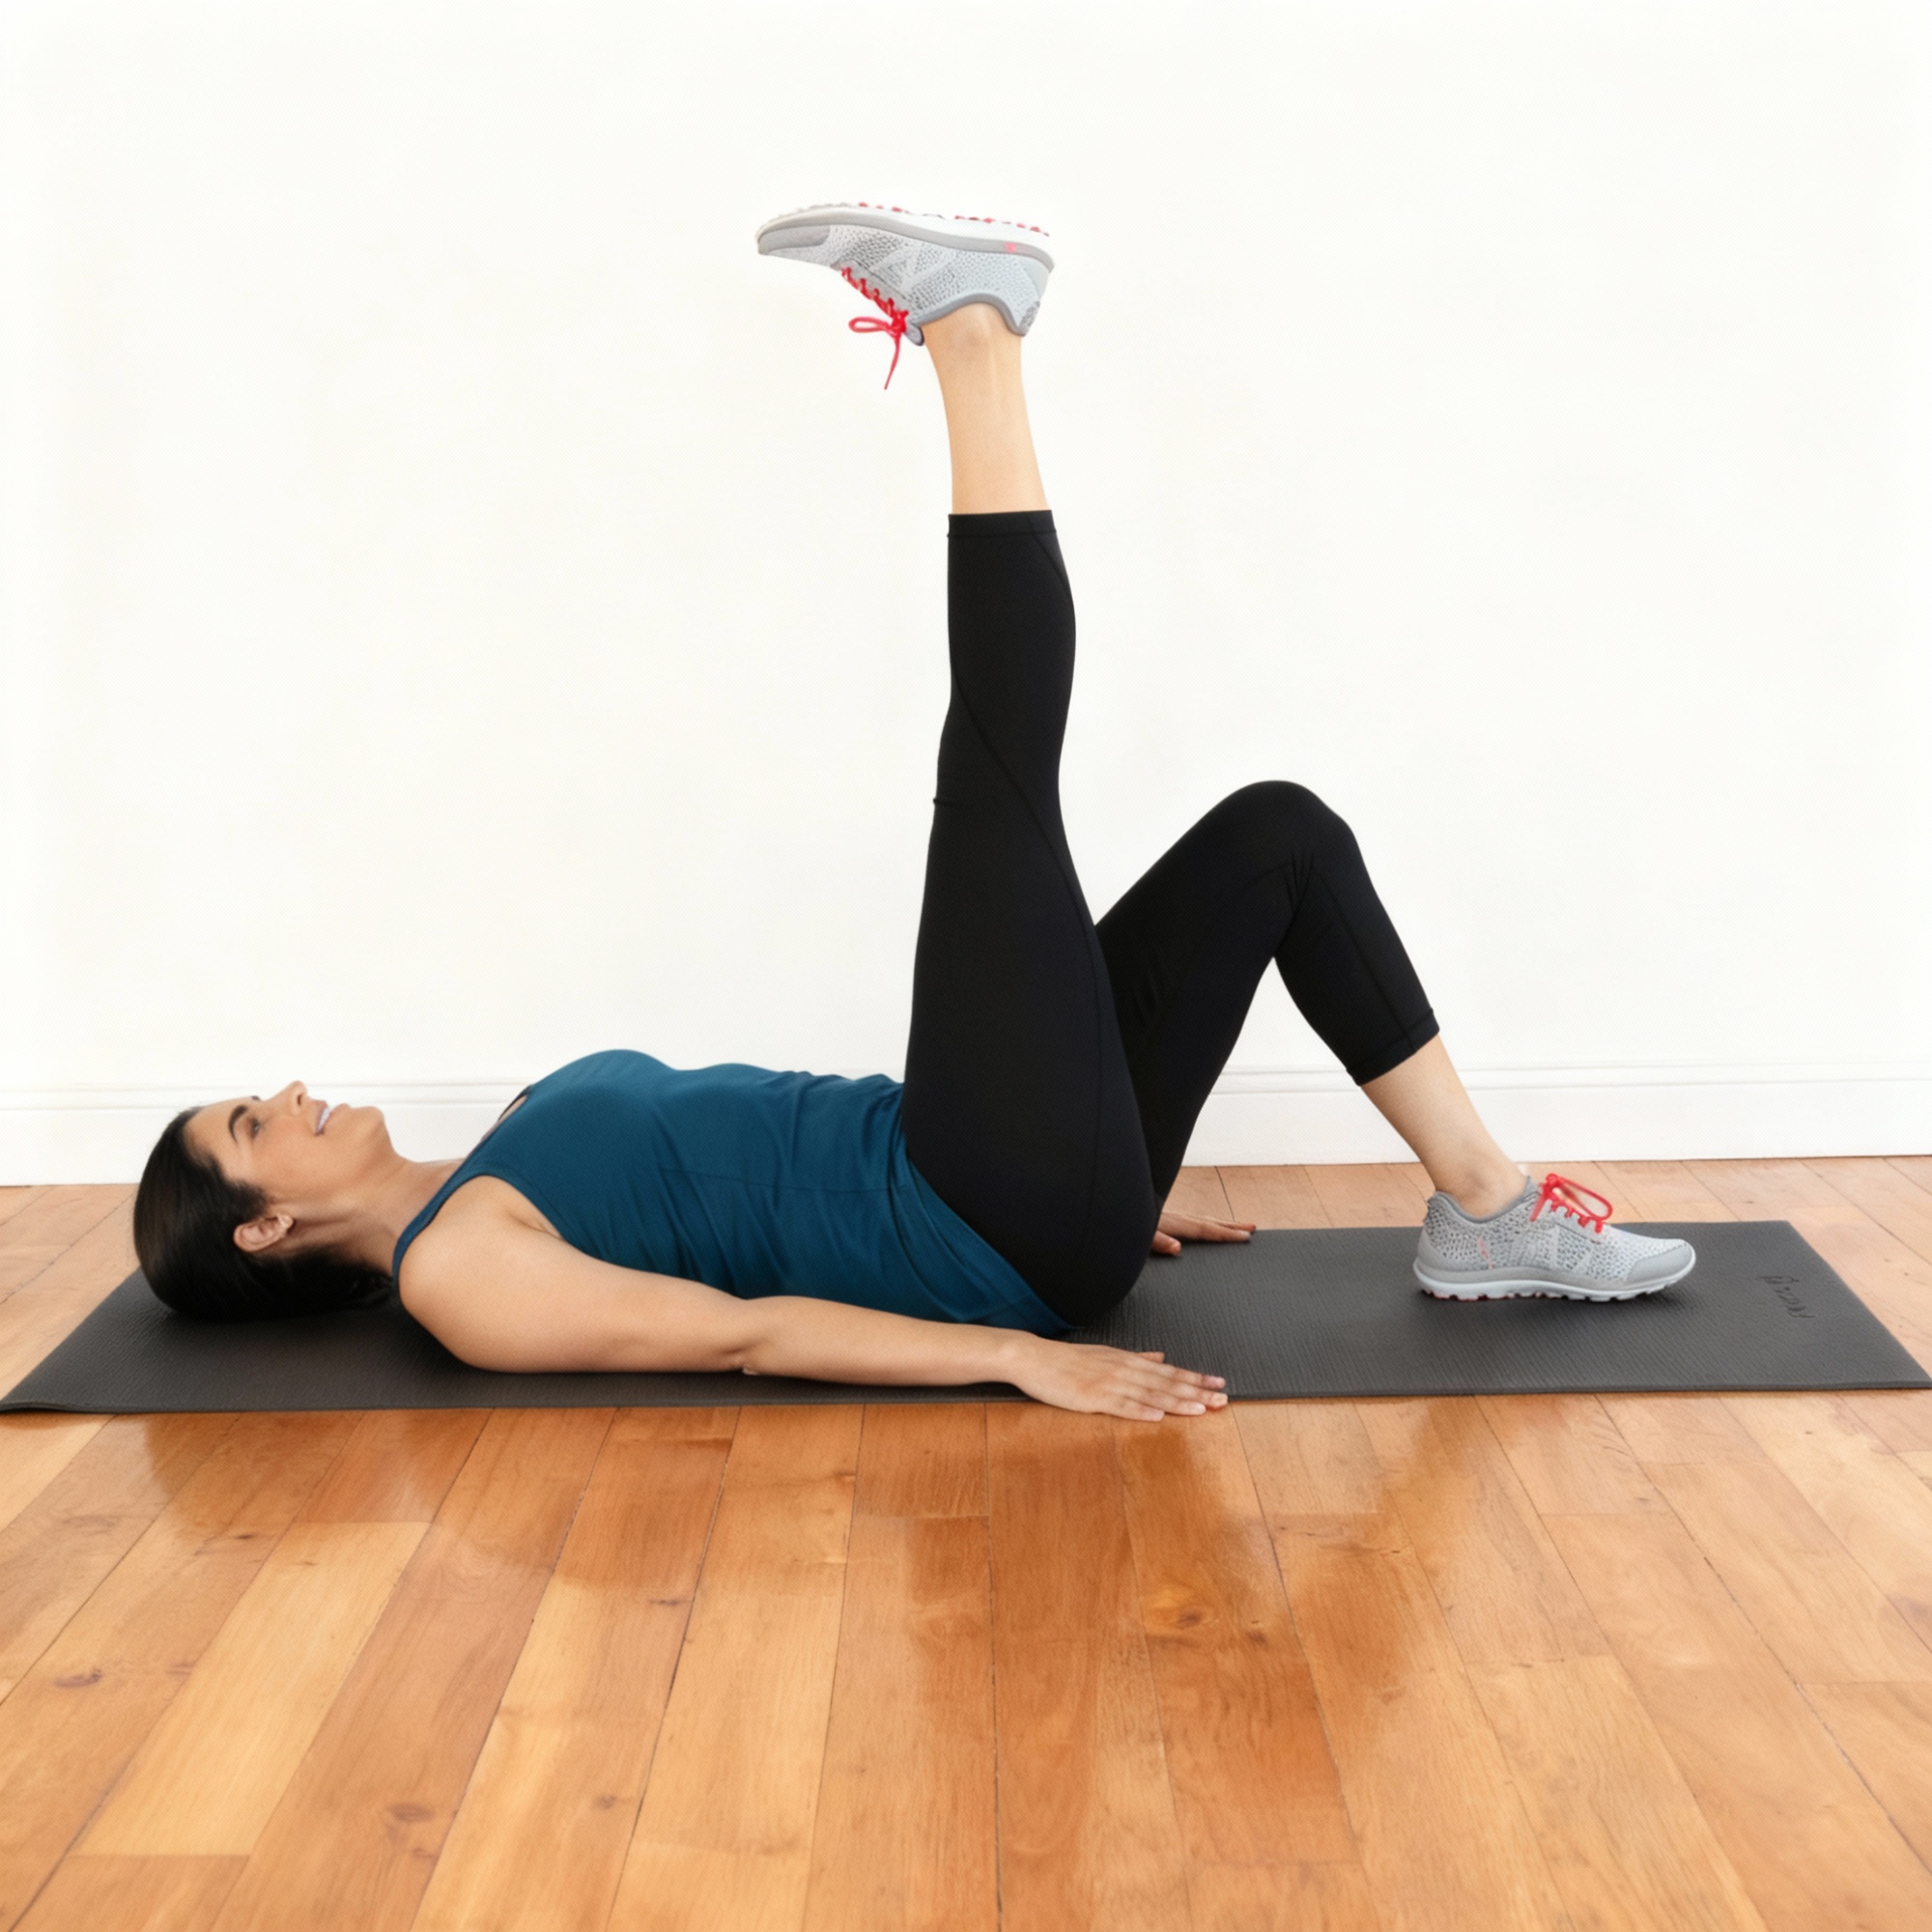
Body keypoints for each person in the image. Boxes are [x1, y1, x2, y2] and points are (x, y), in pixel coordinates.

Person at [131, 203, 1695, 1422]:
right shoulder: (461, 1276)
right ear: (262, 1230)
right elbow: (745, 1338)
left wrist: (1097, 1162)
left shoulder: (501, 1152)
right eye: (256, 1125)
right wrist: (1013, 1358)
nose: (290, 1092)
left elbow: (769, 1179)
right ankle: (970, 330)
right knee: (998, 772)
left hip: (987, 1173)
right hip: (974, 1226)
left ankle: (1485, 1213)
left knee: (1277, 839)